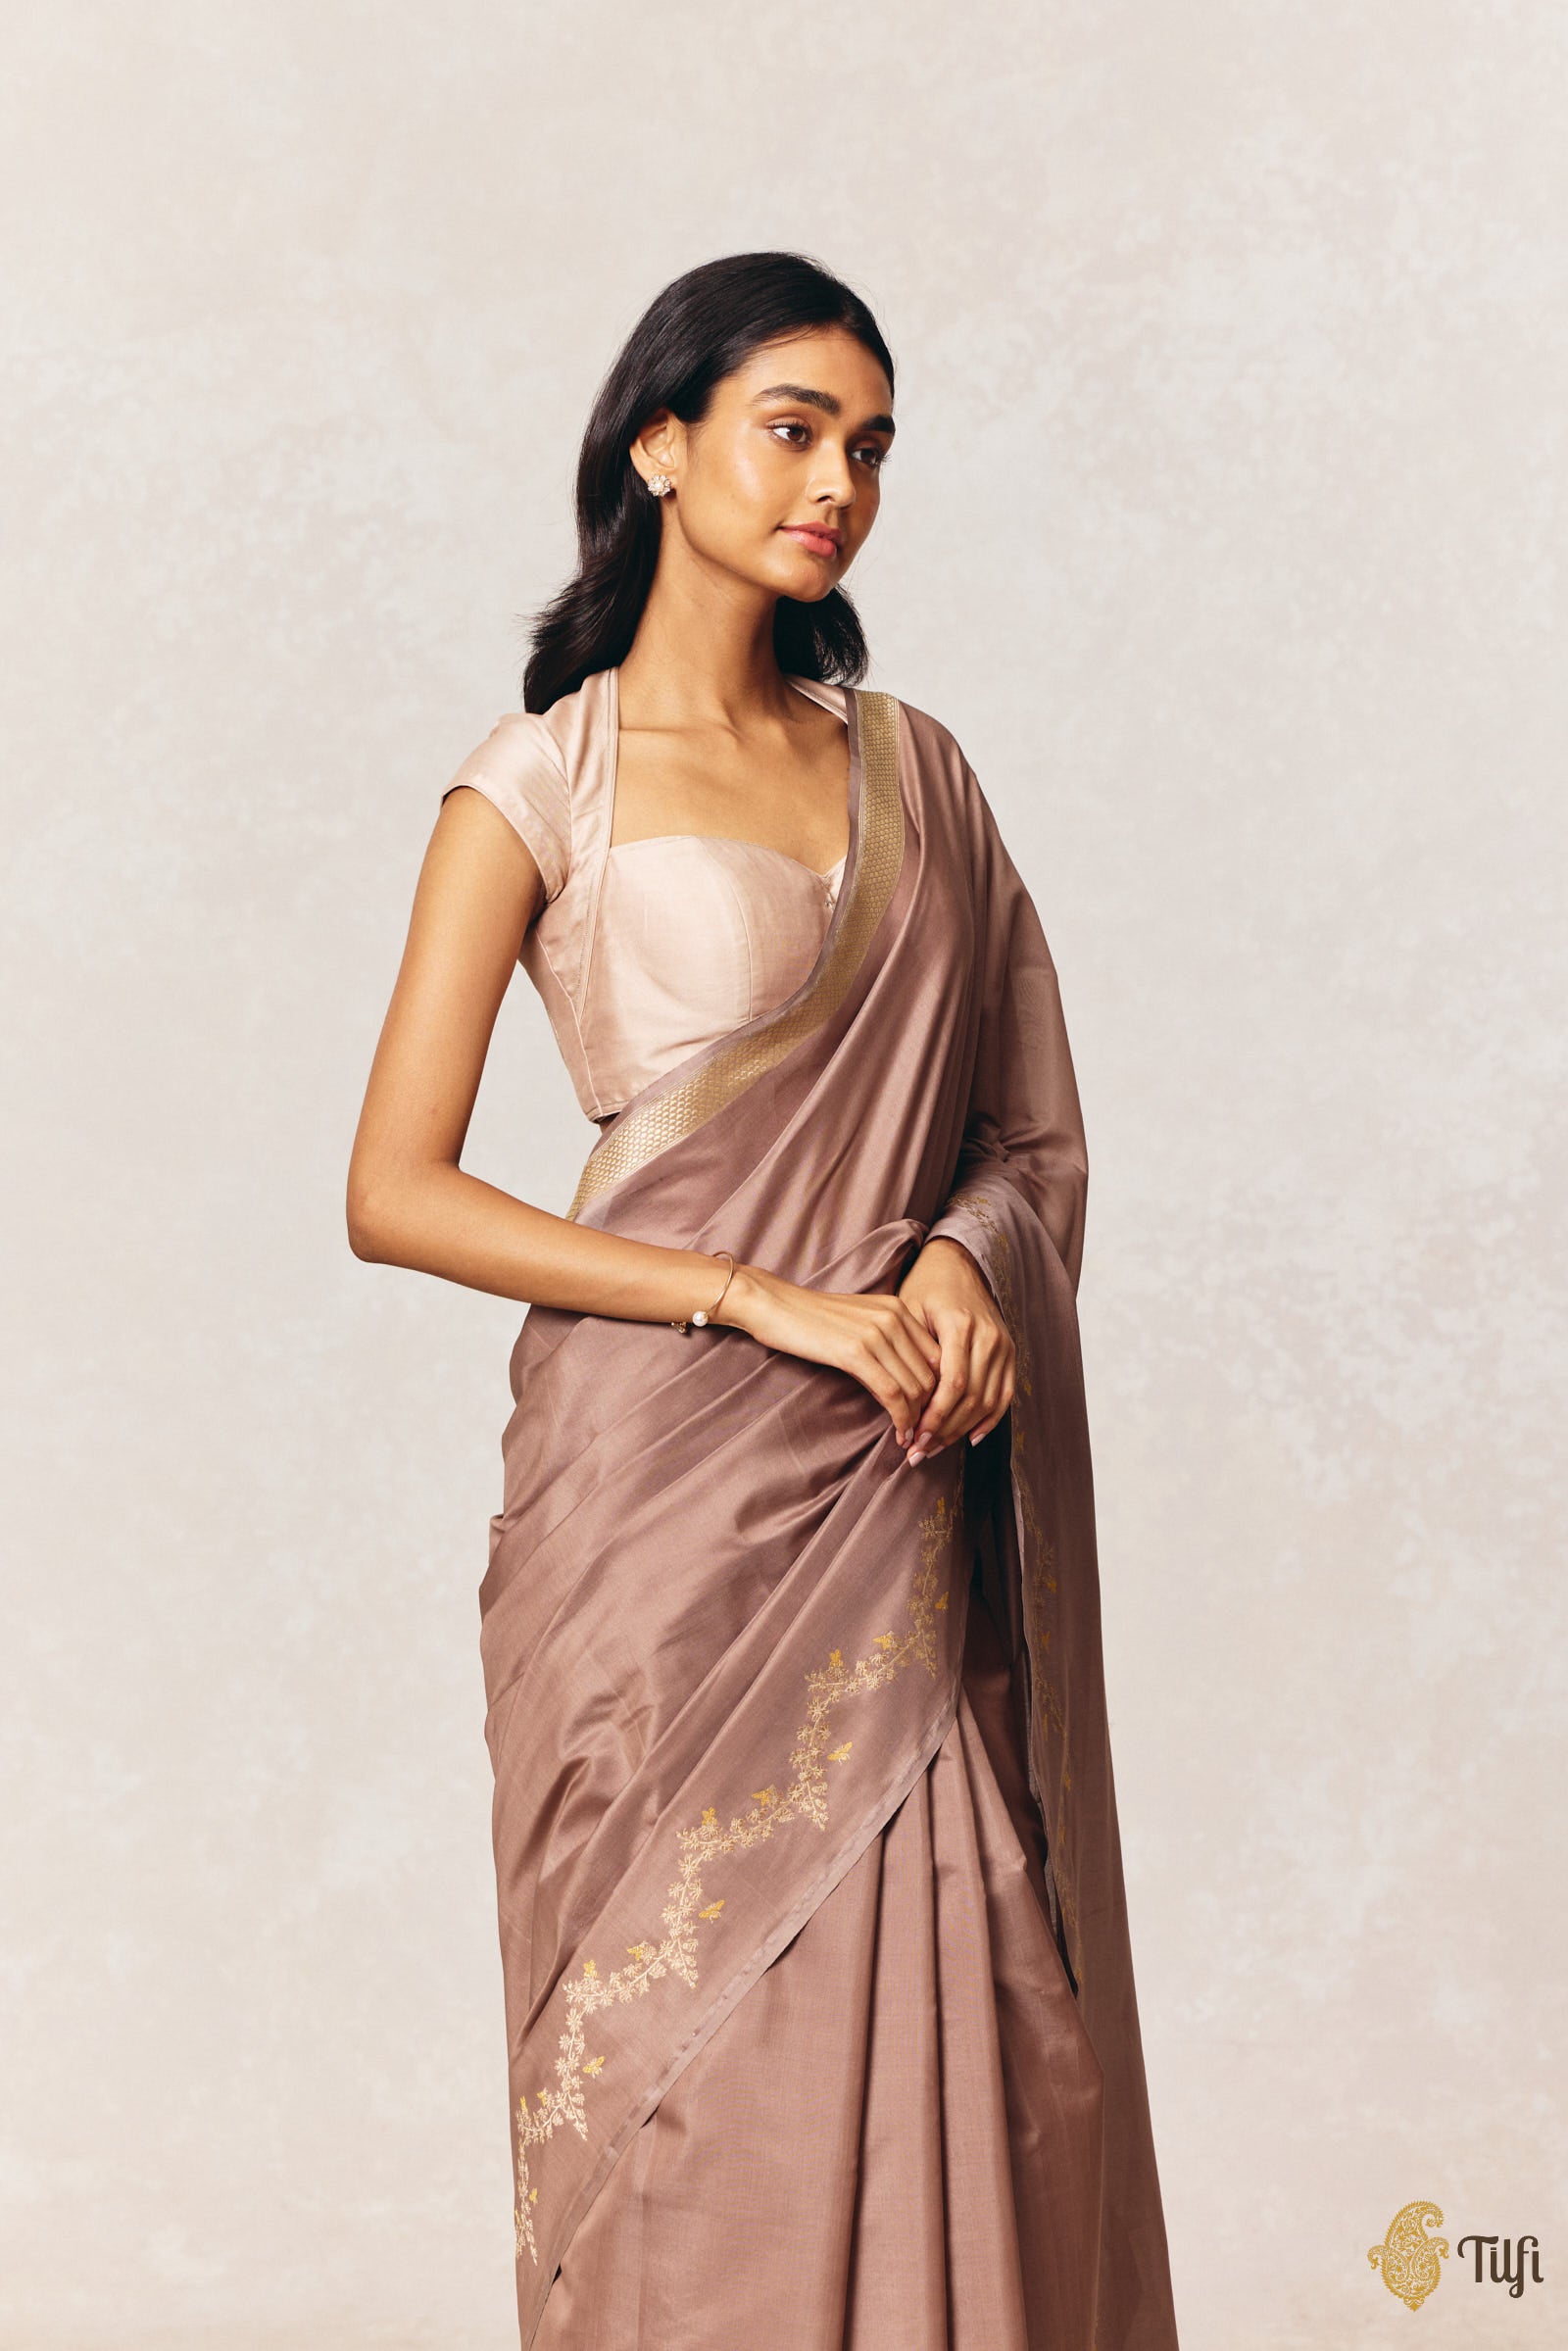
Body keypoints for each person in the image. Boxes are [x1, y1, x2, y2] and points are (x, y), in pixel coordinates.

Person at [347, 250, 1181, 2351]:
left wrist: (959, 1262)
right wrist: (755, 1298)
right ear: (661, 442)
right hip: (654, 1519)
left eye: (870, 448)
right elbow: (393, 1189)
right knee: (685, 2090)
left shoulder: (919, 775)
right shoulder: (540, 782)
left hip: (893, 1483)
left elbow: (1028, 1137)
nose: (837, 486)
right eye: (793, 430)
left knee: (974, 1982)